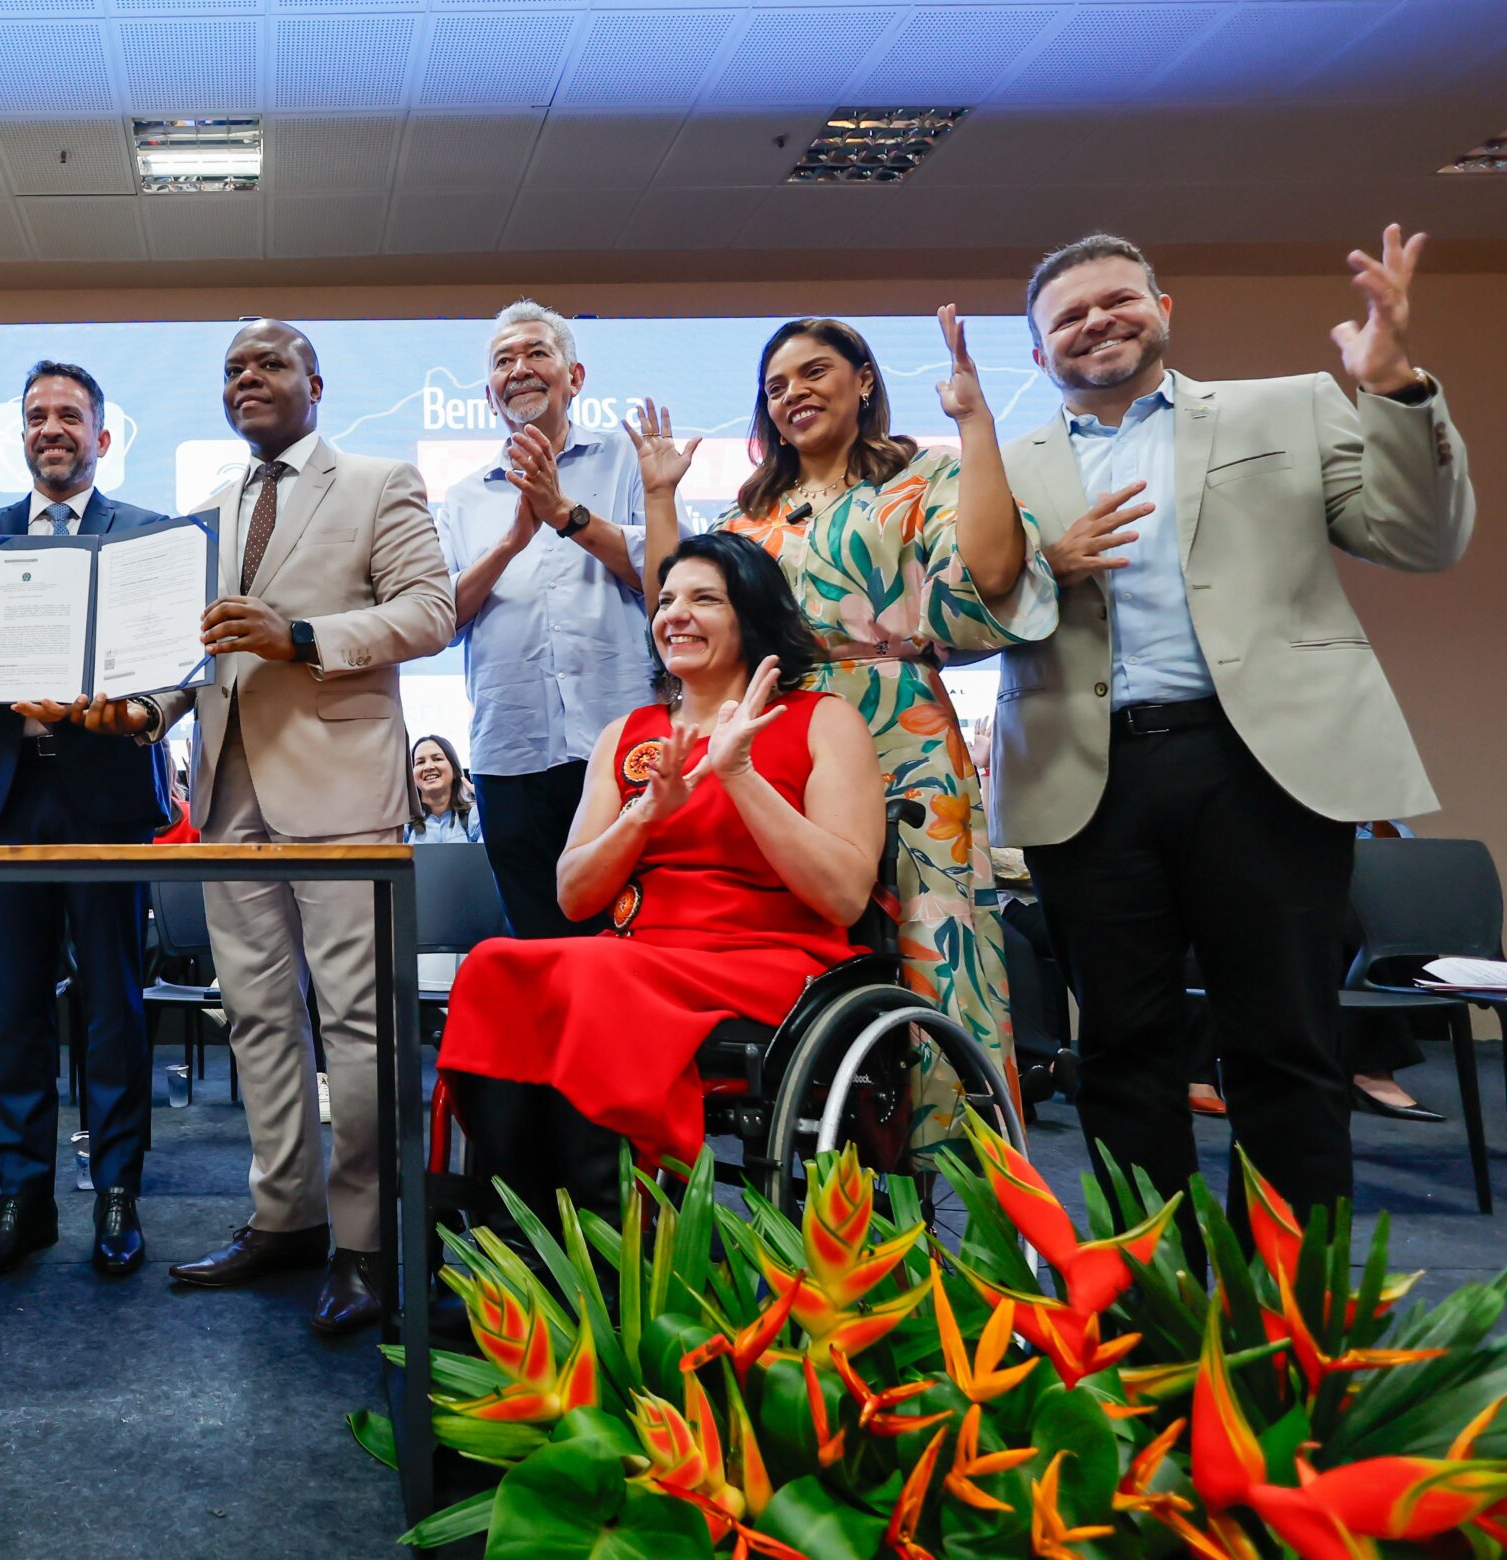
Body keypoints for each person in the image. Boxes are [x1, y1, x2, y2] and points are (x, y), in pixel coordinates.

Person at [995, 227, 1476, 1230]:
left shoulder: (1286, 405)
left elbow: (1420, 538)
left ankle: (1296, 1317)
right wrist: (1046, 566)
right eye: (1066, 317)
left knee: (1285, 1044)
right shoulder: (1002, 464)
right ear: (1038, 353)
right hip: (1088, 779)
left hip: (1261, 766)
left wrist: (1393, 390)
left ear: (1162, 311)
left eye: (1116, 299)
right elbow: (960, 610)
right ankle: (1151, 1310)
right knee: (1124, 1051)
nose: (1095, 322)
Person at [73, 319, 454, 1336]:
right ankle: (283, 1216)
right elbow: (185, 658)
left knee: (359, 1028)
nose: (249, 378)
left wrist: (304, 638)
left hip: (342, 796)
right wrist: (140, 712)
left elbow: (430, 612)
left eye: (269, 363)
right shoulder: (202, 517)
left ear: (315, 383)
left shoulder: (381, 483)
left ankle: (368, 1242)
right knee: (254, 1022)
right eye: (234, 368)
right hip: (226, 804)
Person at [678, 312, 1056, 1147]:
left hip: (905, 727)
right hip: (790, 729)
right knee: (813, 930)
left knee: (936, 939)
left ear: (864, 379)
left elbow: (993, 575)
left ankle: (963, 1174)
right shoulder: (749, 516)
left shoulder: (925, 475)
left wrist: (975, 422)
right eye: (775, 387)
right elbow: (688, 614)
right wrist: (660, 498)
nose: (793, 395)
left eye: (813, 373)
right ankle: (827, 1153)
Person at [439, 532, 881, 1223]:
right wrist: (644, 815)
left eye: (704, 598)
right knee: (494, 966)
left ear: (752, 614)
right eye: (666, 599)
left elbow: (846, 892)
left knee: (595, 978)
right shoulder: (627, 735)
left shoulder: (823, 721)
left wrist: (740, 776)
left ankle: (617, 1241)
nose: (675, 613)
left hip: (770, 961)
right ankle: (518, 1231)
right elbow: (575, 893)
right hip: (640, 957)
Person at [0, 360, 171, 1280]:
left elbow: (168, 666)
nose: (51, 428)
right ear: (19, 434)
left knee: (113, 1006)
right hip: (8, 797)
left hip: (105, 794)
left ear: (102, 438)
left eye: (70, 416)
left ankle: (117, 1193)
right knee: (17, 1011)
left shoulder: (146, 538)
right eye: (37, 416)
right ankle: (22, 1197)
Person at [432, 301, 672, 936]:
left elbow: (668, 588)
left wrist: (566, 515)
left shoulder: (630, 462)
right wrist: (511, 541)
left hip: (619, 739)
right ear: (489, 395)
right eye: (503, 361)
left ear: (576, 376)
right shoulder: (462, 498)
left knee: (634, 936)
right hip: (510, 749)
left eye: (537, 353)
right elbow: (440, 621)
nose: (520, 369)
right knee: (540, 940)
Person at [404, 734, 481, 844]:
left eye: (437, 759)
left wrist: (487, 803)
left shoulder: (475, 816)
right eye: (420, 762)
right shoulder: (403, 824)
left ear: (454, 770)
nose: (428, 767)